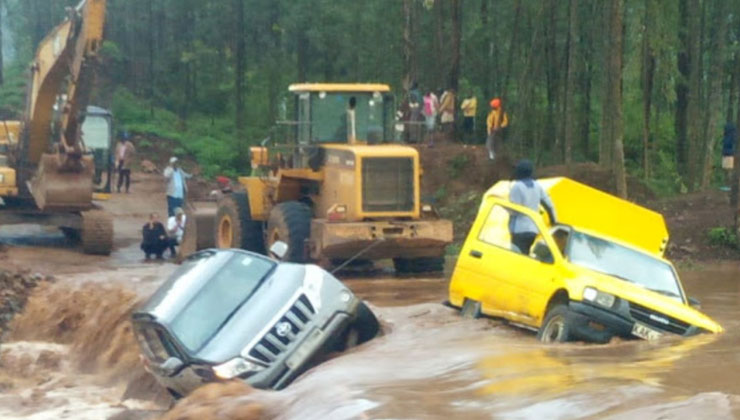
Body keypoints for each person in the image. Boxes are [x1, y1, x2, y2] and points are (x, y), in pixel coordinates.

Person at [508, 159, 556, 254]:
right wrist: (554, 222)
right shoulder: (537, 186)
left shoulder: (517, 187)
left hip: (519, 230)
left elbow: (514, 210)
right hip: (533, 229)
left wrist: (505, 208)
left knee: (517, 257)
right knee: (526, 253)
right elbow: (549, 205)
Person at [722, 122, 736, 189]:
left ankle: (729, 186)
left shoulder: (732, 136)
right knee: (726, 170)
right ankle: (727, 185)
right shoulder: (726, 136)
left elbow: (731, 146)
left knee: (729, 170)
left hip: (730, 155)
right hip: (726, 154)